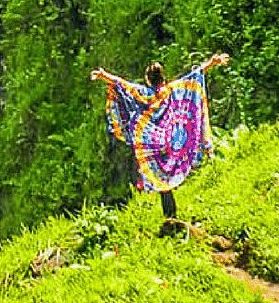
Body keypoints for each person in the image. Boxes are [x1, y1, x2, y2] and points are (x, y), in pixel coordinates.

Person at [89, 53, 230, 222]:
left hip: (151, 145)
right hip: (173, 141)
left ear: (148, 79)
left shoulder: (143, 93)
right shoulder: (172, 90)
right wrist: (212, 62)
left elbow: (121, 84)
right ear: (163, 77)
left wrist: (103, 75)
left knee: (163, 185)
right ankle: (172, 216)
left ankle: (170, 217)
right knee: (171, 175)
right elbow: (195, 76)